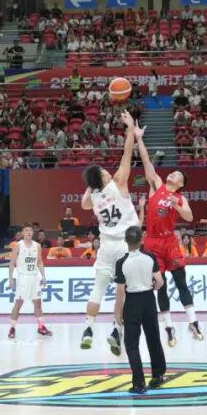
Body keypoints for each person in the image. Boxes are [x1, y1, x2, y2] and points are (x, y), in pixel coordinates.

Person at [133, 121, 201, 346]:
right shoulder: (156, 186)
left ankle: (193, 322)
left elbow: (189, 217)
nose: (172, 173)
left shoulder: (180, 198)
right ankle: (169, 328)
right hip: (152, 243)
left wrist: (177, 206)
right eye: (172, 172)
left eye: (177, 174)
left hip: (170, 242)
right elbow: (146, 161)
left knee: (181, 282)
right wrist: (139, 138)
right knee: (160, 286)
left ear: (181, 184)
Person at [79, 110, 140, 354]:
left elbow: (83, 202)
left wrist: (91, 184)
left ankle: (88, 328)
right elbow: (127, 153)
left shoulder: (92, 198)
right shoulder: (118, 182)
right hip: (125, 246)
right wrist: (130, 128)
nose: (107, 170)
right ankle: (116, 329)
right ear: (104, 176)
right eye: (103, 170)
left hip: (106, 247)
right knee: (122, 290)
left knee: (98, 289)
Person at [114, 226, 166, 394]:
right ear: (142, 240)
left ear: (125, 241)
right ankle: (158, 375)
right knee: (153, 338)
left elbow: (120, 292)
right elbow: (160, 282)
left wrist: (117, 312)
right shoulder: (150, 257)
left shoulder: (121, 262)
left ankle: (139, 383)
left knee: (131, 344)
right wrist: (151, 288)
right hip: (149, 300)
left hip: (132, 302)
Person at [7, 225, 51, 339]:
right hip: (23, 277)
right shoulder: (18, 245)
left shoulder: (37, 246)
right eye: (26, 230)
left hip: (34, 277)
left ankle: (41, 327)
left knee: (38, 303)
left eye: (30, 230)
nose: (29, 232)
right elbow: (12, 263)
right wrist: (11, 279)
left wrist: (43, 276)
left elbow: (39, 261)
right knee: (18, 304)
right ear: (22, 233)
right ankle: (12, 328)